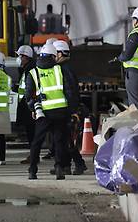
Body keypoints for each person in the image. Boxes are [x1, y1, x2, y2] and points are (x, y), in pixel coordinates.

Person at [25, 43, 79, 180]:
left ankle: (33, 170)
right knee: (59, 140)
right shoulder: (59, 70)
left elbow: (28, 95)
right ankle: (59, 168)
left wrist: (33, 109)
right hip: (61, 111)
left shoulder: (33, 72)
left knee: (37, 141)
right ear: (54, 56)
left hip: (43, 113)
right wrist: (73, 110)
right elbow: (69, 92)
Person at [53, 40, 86, 176]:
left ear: (60, 53)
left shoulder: (63, 69)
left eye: (54, 54)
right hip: (67, 108)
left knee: (66, 139)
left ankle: (79, 164)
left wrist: (71, 110)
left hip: (67, 109)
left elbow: (70, 91)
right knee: (64, 138)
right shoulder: (66, 67)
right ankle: (66, 165)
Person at [13, 45, 36, 164]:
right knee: (31, 133)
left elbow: (29, 88)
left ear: (25, 57)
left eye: (19, 56)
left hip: (29, 106)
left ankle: (33, 157)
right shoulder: (26, 69)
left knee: (32, 133)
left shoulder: (29, 69)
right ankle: (33, 155)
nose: (18, 58)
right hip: (27, 105)